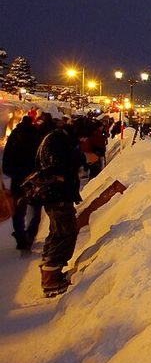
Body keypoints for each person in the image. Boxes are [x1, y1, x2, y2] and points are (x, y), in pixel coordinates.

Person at [32, 125, 91, 297]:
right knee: (64, 232)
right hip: (57, 195)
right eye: (82, 139)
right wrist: (81, 158)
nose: (83, 142)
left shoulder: (54, 139)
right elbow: (58, 165)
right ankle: (51, 280)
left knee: (57, 231)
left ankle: (50, 272)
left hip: (56, 195)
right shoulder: (57, 142)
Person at [2, 117, 41, 249]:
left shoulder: (14, 136)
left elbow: (7, 157)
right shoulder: (36, 135)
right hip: (33, 178)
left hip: (17, 178)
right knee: (35, 208)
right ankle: (30, 233)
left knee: (18, 210)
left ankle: (20, 235)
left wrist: (11, 172)